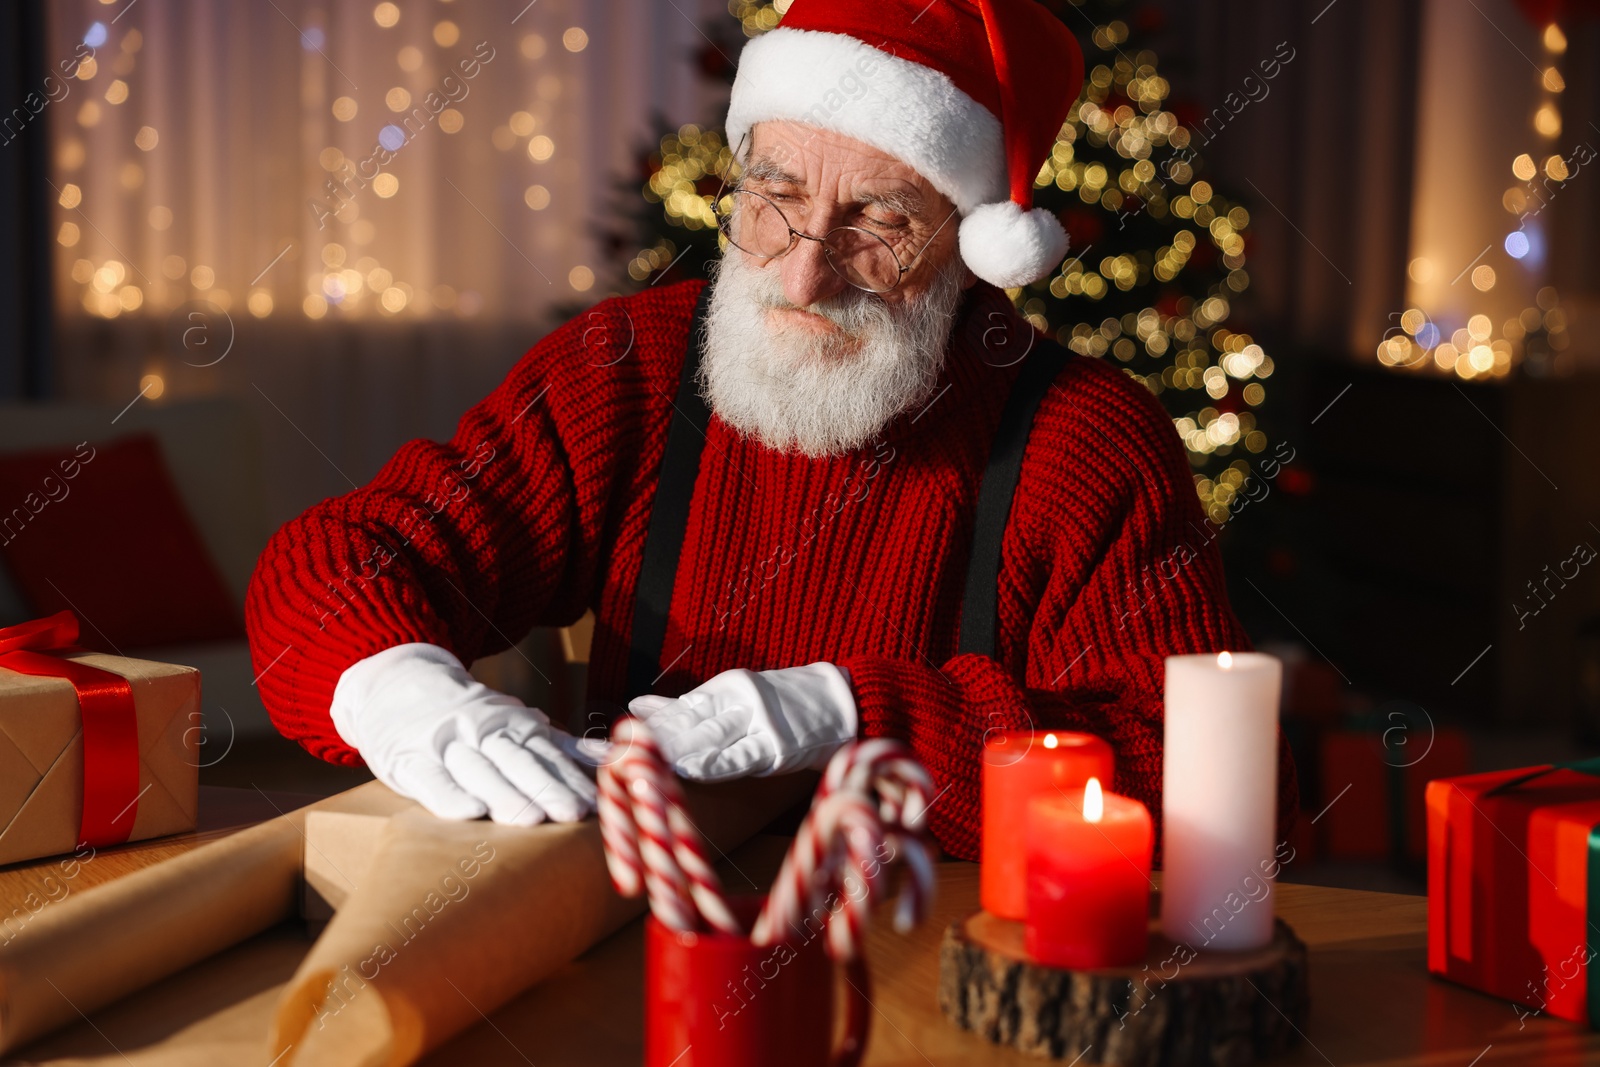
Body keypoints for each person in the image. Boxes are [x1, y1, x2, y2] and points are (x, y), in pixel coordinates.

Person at [244, 0, 1298, 861]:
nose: (802, 271)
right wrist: (397, 690)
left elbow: (1214, 785)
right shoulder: (633, 370)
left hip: (945, 972)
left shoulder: (1085, 442)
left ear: (972, 244)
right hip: (648, 947)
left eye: (881, 219)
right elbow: (335, 563)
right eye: (776, 197)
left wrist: (853, 716)